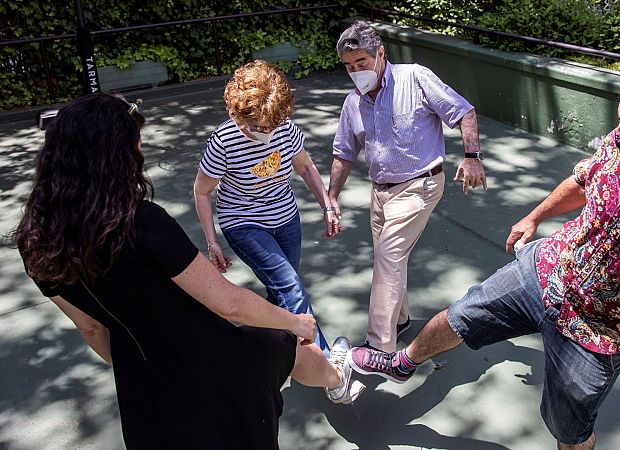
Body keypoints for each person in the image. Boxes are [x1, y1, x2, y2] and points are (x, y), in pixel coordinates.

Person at [347, 62, 620, 450]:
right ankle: (402, 362)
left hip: (597, 333)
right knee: (461, 314)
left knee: (569, 429)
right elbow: (583, 180)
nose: (615, 134)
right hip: (546, 269)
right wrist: (535, 216)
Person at [14, 94, 361, 449]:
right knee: (287, 342)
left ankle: (336, 376)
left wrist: (146, 368)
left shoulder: (35, 242)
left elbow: (91, 329)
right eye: (135, 142)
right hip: (216, 371)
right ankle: (337, 377)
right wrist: (293, 322)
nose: (140, 148)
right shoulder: (140, 224)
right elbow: (227, 303)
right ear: (115, 154)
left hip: (141, 390)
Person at [328, 20, 487, 353]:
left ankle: (377, 349)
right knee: (389, 260)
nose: (356, 71)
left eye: (362, 63)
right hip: (379, 191)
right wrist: (331, 197)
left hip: (420, 185)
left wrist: (472, 156)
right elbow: (344, 154)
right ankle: (399, 320)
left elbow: (464, 112)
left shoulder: (415, 78)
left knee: (388, 256)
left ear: (381, 54)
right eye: (349, 66)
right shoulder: (352, 103)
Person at [194, 60, 338, 355]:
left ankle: (255, 351)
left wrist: (327, 206)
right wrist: (212, 242)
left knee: (281, 291)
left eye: (271, 125)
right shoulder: (224, 141)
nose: (266, 133)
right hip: (243, 222)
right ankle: (329, 368)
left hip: (285, 216)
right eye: (257, 127)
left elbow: (306, 168)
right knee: (291, 290)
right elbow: (202, 191)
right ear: (237, 114)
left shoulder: (284, 128)